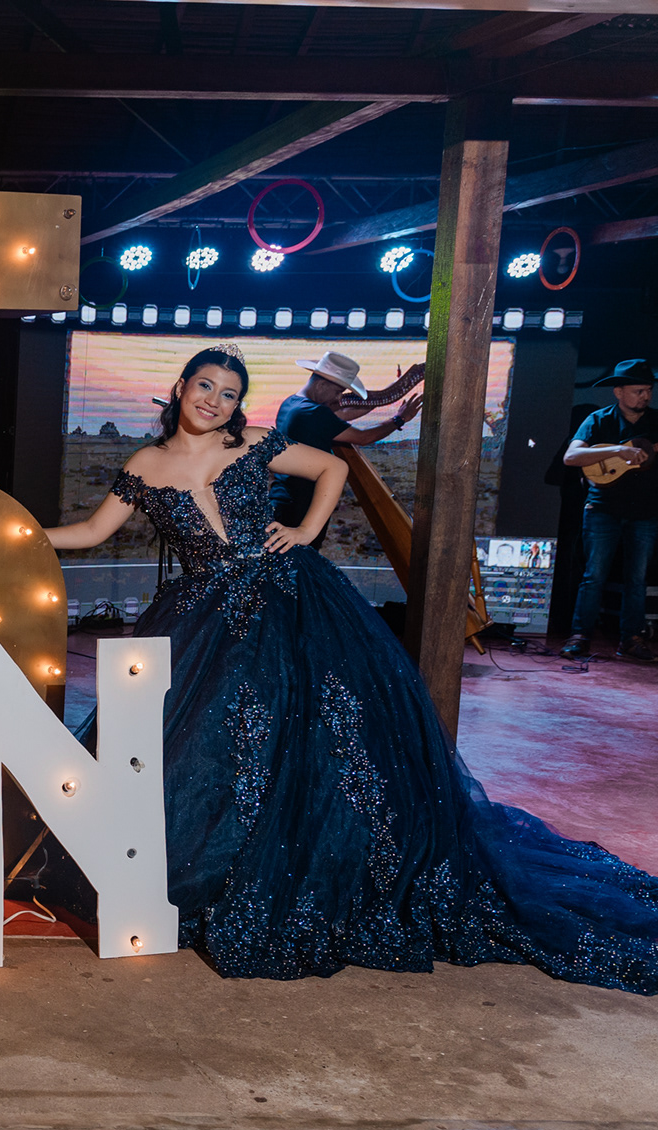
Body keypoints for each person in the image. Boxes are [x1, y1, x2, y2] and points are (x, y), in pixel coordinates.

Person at [47, 345, 658, 994]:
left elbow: (331, 467)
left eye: (228, 394)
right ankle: (196, 861)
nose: (214, 401)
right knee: (204, 743)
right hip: (203, 613)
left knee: (310, 734)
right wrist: (19, 530)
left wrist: (306, 531)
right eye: (205, 386)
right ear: (180, 387)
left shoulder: (253, 442)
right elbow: (90, 531)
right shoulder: (144, 464)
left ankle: (297, 862)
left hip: (286, 596)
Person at [560, 359, 657, 662]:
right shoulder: (598, 420)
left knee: (637, 579)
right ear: (618, 392)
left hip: (645, 510)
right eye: (638, 391)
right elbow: (571, 457)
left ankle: (632, 639)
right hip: (602, 508)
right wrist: (618, 449)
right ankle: (580, 636)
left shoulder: (656, 421)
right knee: (595, 575)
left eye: (648, 390)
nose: (645, 396)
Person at [268, 350, 422, 542]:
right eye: (338, 392)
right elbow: (363, 437)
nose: (339, 398)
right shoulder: (313, 413)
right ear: (321, 385)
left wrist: (386, 396)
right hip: (302, 505)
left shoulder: (292, 403)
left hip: (284, 497)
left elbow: (342, 416)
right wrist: (399, 419)